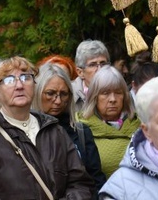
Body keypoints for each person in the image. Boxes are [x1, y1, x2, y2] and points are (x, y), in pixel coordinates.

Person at [0, 56, 95, 199]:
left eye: (26, 78)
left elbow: (80, 183)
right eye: (9, 80)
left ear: (34, 85)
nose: (19, 85)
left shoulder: (54, 131)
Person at [32, 63, 107, 192]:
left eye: (64, 94)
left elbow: (96, 179)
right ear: (37, 92)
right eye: (50, 93)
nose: (58, 101)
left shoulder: (81, 132)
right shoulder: (23, 133)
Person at [76, 65, 140, 178]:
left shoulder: (139, 125)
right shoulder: (81, 129)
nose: (113, 99)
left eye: (118, 93)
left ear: (125, 96)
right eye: (105, 93)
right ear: (94, 97)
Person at [73, 40, 110, 114]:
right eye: (92, 65)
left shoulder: (120, 91)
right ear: (80, 72)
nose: (100, 69)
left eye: (103, 64)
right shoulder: (69, 94)